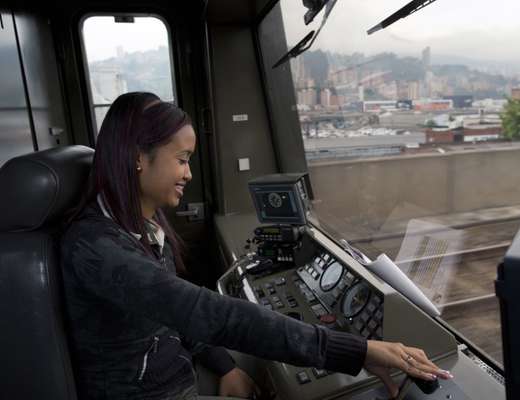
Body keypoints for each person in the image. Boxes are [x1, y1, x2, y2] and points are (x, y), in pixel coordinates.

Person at [61, 92, 452, 400]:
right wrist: (357, 350)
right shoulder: (96, 248)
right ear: (136, 158)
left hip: (172, 374)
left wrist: (224, 366)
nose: (189, 174)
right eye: (182, 160)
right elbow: (202, 311)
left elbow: (172, 312)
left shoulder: (140, 228)